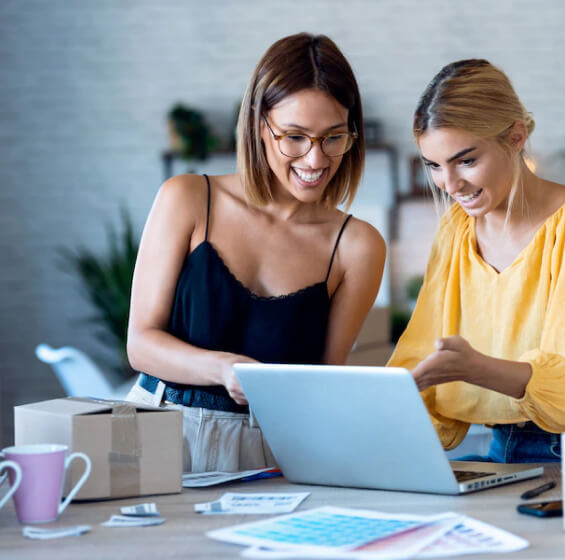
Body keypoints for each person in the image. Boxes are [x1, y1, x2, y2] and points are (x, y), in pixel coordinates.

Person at [125, 33, 386, 473]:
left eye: (333, 137)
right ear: (258, 124)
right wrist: (224, 368)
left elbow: (324, 379)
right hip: (158, 430)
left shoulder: (358, 246)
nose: (315, 159)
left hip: (271, 452)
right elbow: (141, 345)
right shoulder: (187, 198)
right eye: (295, 137)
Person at [388, 59, 565, 463]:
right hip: (502, 447)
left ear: (517, 136)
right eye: (435, 166)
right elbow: (419, 350)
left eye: (466, 161)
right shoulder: (456, 228)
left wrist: (472, 368)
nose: (450, 185)